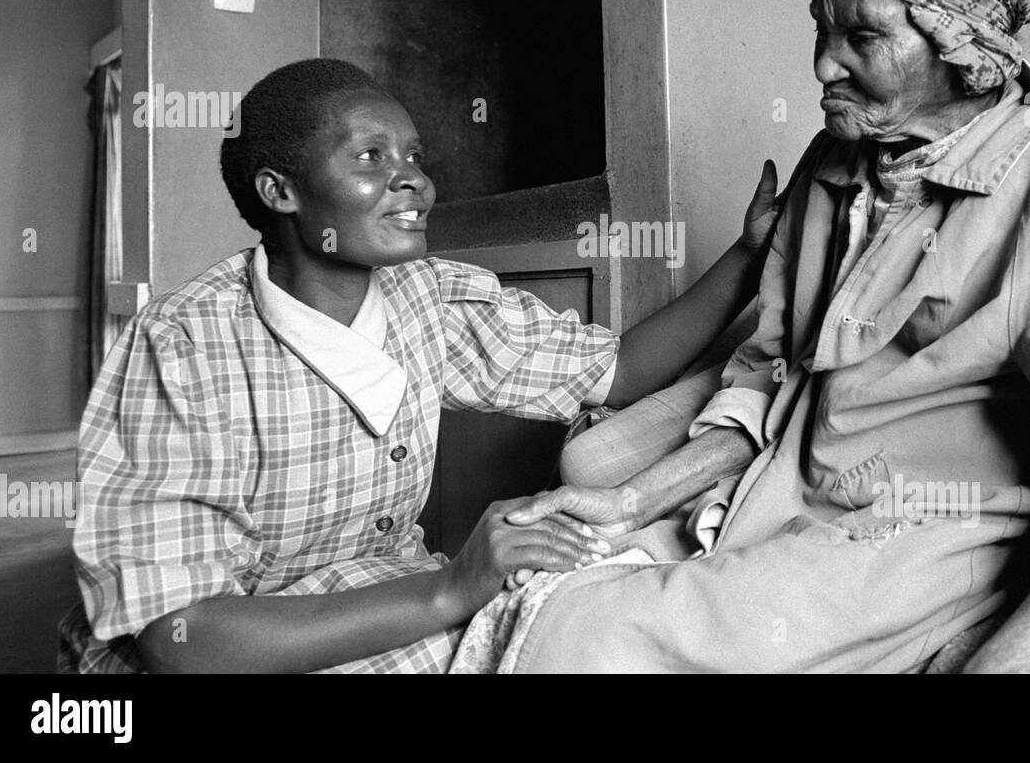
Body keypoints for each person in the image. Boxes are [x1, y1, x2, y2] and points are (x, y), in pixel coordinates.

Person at [490, 0, 1030, 673]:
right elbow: (771, 375)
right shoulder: (837, 157)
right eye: (820, 30)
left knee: (578, 643)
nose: (822, 68)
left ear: (959, 42)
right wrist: (629, 504)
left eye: (861, 38)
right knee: (523, 571)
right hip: (780, 488)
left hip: (919, 526)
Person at [58, 58, 780, 673]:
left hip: (378, 589)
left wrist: (750, 257)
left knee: (571, 621)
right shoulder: (180, 347)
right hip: (229, 645)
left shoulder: (429, 295)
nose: (414, 182)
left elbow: (616, 370)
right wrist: (449, 590)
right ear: (279, 190)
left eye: (415, 157)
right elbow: (180, 638)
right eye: (371, 158)